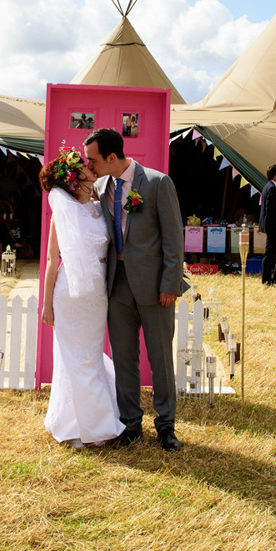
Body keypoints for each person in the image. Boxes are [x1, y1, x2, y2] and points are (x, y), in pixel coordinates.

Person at [84, 128, 187, 452]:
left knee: (160, 359)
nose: (89, 165)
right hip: (117, 284)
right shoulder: (99, 187)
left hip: (156, 287)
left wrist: (170, 283)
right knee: (124, 357)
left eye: (93, 159)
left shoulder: (157, 183)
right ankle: (130, 424)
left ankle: (166, 427)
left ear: (111, 158)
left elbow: (174, 238)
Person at [39, 147, 125, 448]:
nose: (91, 167)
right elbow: (52, 262)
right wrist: (47, 303)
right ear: (76, 178)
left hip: (98, 292)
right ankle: (93, 428)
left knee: (89, 356)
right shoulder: (61, 213)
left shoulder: (102, 206)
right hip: (70, 295)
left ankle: (88, 419)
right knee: (77, 359)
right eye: (85, 167)